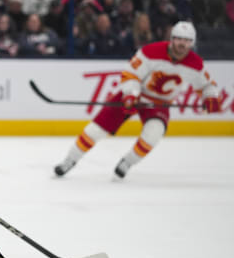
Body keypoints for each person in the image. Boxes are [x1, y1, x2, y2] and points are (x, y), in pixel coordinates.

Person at [54, 21, 222, 179]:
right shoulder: (151, 52)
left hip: (159, 103)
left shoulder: (196, 64)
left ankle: (127, 162)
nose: (182, 44)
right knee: (95, 130)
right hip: (134, 95)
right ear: (172, 39)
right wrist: (131, 94)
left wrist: (211, 97)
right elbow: (131, 73)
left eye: (187, 41)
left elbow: (207, 85)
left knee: (153, 135)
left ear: (192, 43)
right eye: (179, 39)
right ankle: (69, 160)